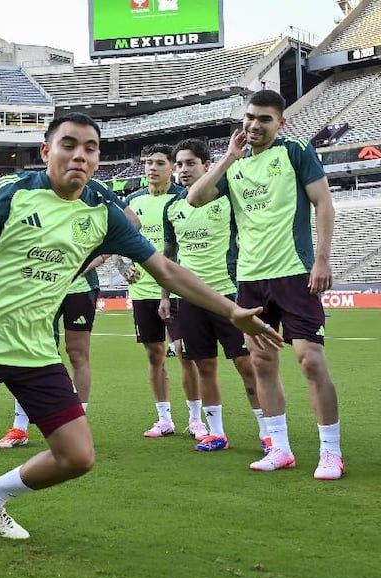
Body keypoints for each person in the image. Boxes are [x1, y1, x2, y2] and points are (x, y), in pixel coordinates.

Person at [0, 113, 282, 539]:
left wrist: (230, 311)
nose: (79, 155)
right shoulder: (12, 192)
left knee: (77, 456)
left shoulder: (103, 213)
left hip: (36, 355)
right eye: (68, 145)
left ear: (98, 159)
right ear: (47, 152)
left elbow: (166, 271)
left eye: (89, 148)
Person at [187, 89, 344, 480]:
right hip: (250, 278)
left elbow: (323, 202)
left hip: (294, 273)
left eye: (264, 119)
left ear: (281, 123)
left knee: (310, 361)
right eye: (250, 117)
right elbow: (194, 198)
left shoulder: (295, 152)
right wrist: (228, 157)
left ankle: (331, 452)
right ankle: (280, 448)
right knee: (261, 363)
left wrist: (322, 259)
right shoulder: (234, 165)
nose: (254, 125)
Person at [0, 180, 137, 450]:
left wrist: (98, 256)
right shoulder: (38, 189)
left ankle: (78, 424)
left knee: (77, 354)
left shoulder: (95, 190)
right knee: (30, 351)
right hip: (44, 285)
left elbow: (132, 222)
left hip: (81, 289)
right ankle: (19, 428)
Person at [163, 138, 266, 452]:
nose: (183, 170)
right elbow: (169, 256)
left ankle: (268, 431)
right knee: (204, 365)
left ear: (207, 166)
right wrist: (166, 297)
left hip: (229, 293)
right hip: (190, 298)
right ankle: (216, 432)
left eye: (190, 163)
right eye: (179, 164)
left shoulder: (226, 197)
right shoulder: (172, 207)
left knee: (246, 364)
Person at [123, 144, 188, 438]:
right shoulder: (133, 201)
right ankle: (164, 419)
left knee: (186, 353)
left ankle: (197, 418)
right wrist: (124, 266)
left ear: (172, 167)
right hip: (142, 290)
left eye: (159, 163)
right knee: (154, 354)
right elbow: (118, 239)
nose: (152, 168)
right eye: (149, 162)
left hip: (175, 289)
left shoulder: (183, 198)